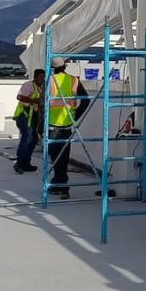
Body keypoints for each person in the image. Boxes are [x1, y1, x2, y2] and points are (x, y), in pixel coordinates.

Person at [46, 58, 89, 200]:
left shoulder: (49, 80)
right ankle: (58, 184)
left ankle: (62, 186)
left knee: (56, 158)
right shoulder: (73, 80)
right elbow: (86, 99)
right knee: (62, 158)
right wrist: (76, 116)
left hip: (52, 125)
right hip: (67, 125)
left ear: (52, 68)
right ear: (65, 66)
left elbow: (42, 103)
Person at [13, 68, 44, 173]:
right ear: (35, 77)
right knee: (27, 137)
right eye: (40, 77)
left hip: (33, 117)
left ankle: (26, 163)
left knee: (34, 139)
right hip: (23, 115)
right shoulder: (29, 85)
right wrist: (35, 100)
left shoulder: (42, 88)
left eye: (43, 77)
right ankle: (19, 163)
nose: (42, 79)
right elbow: (19, 97)